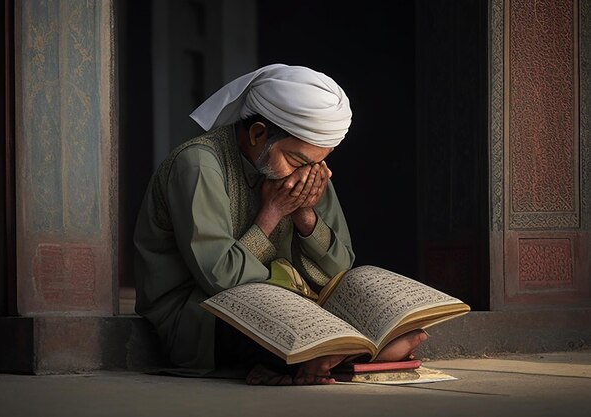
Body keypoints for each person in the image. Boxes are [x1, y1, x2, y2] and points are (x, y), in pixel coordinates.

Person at [133, 63, 427, 385]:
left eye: (319, 163)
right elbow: (220, 280)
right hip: (198, 316)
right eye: (297, 161)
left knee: (405, 331)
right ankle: (327, 358)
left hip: (289, 306)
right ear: (259, 134)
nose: (306, 175)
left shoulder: (309, 172)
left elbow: (339, 270)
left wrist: (305, 215)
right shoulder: (199, 165)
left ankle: (322, 357)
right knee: (284, 335)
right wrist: (272, 212)